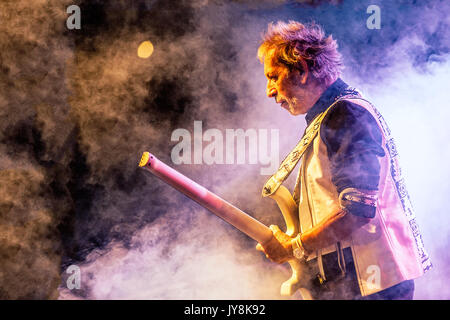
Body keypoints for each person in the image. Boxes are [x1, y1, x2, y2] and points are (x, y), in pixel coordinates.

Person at [255, 21, 432, 300]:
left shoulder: (346, 114)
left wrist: (295, 247)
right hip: (360, 285)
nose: (269, 91)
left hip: (372, 287)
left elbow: (358, 209)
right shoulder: (332, 116)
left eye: (273, 77)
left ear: (300, 69)